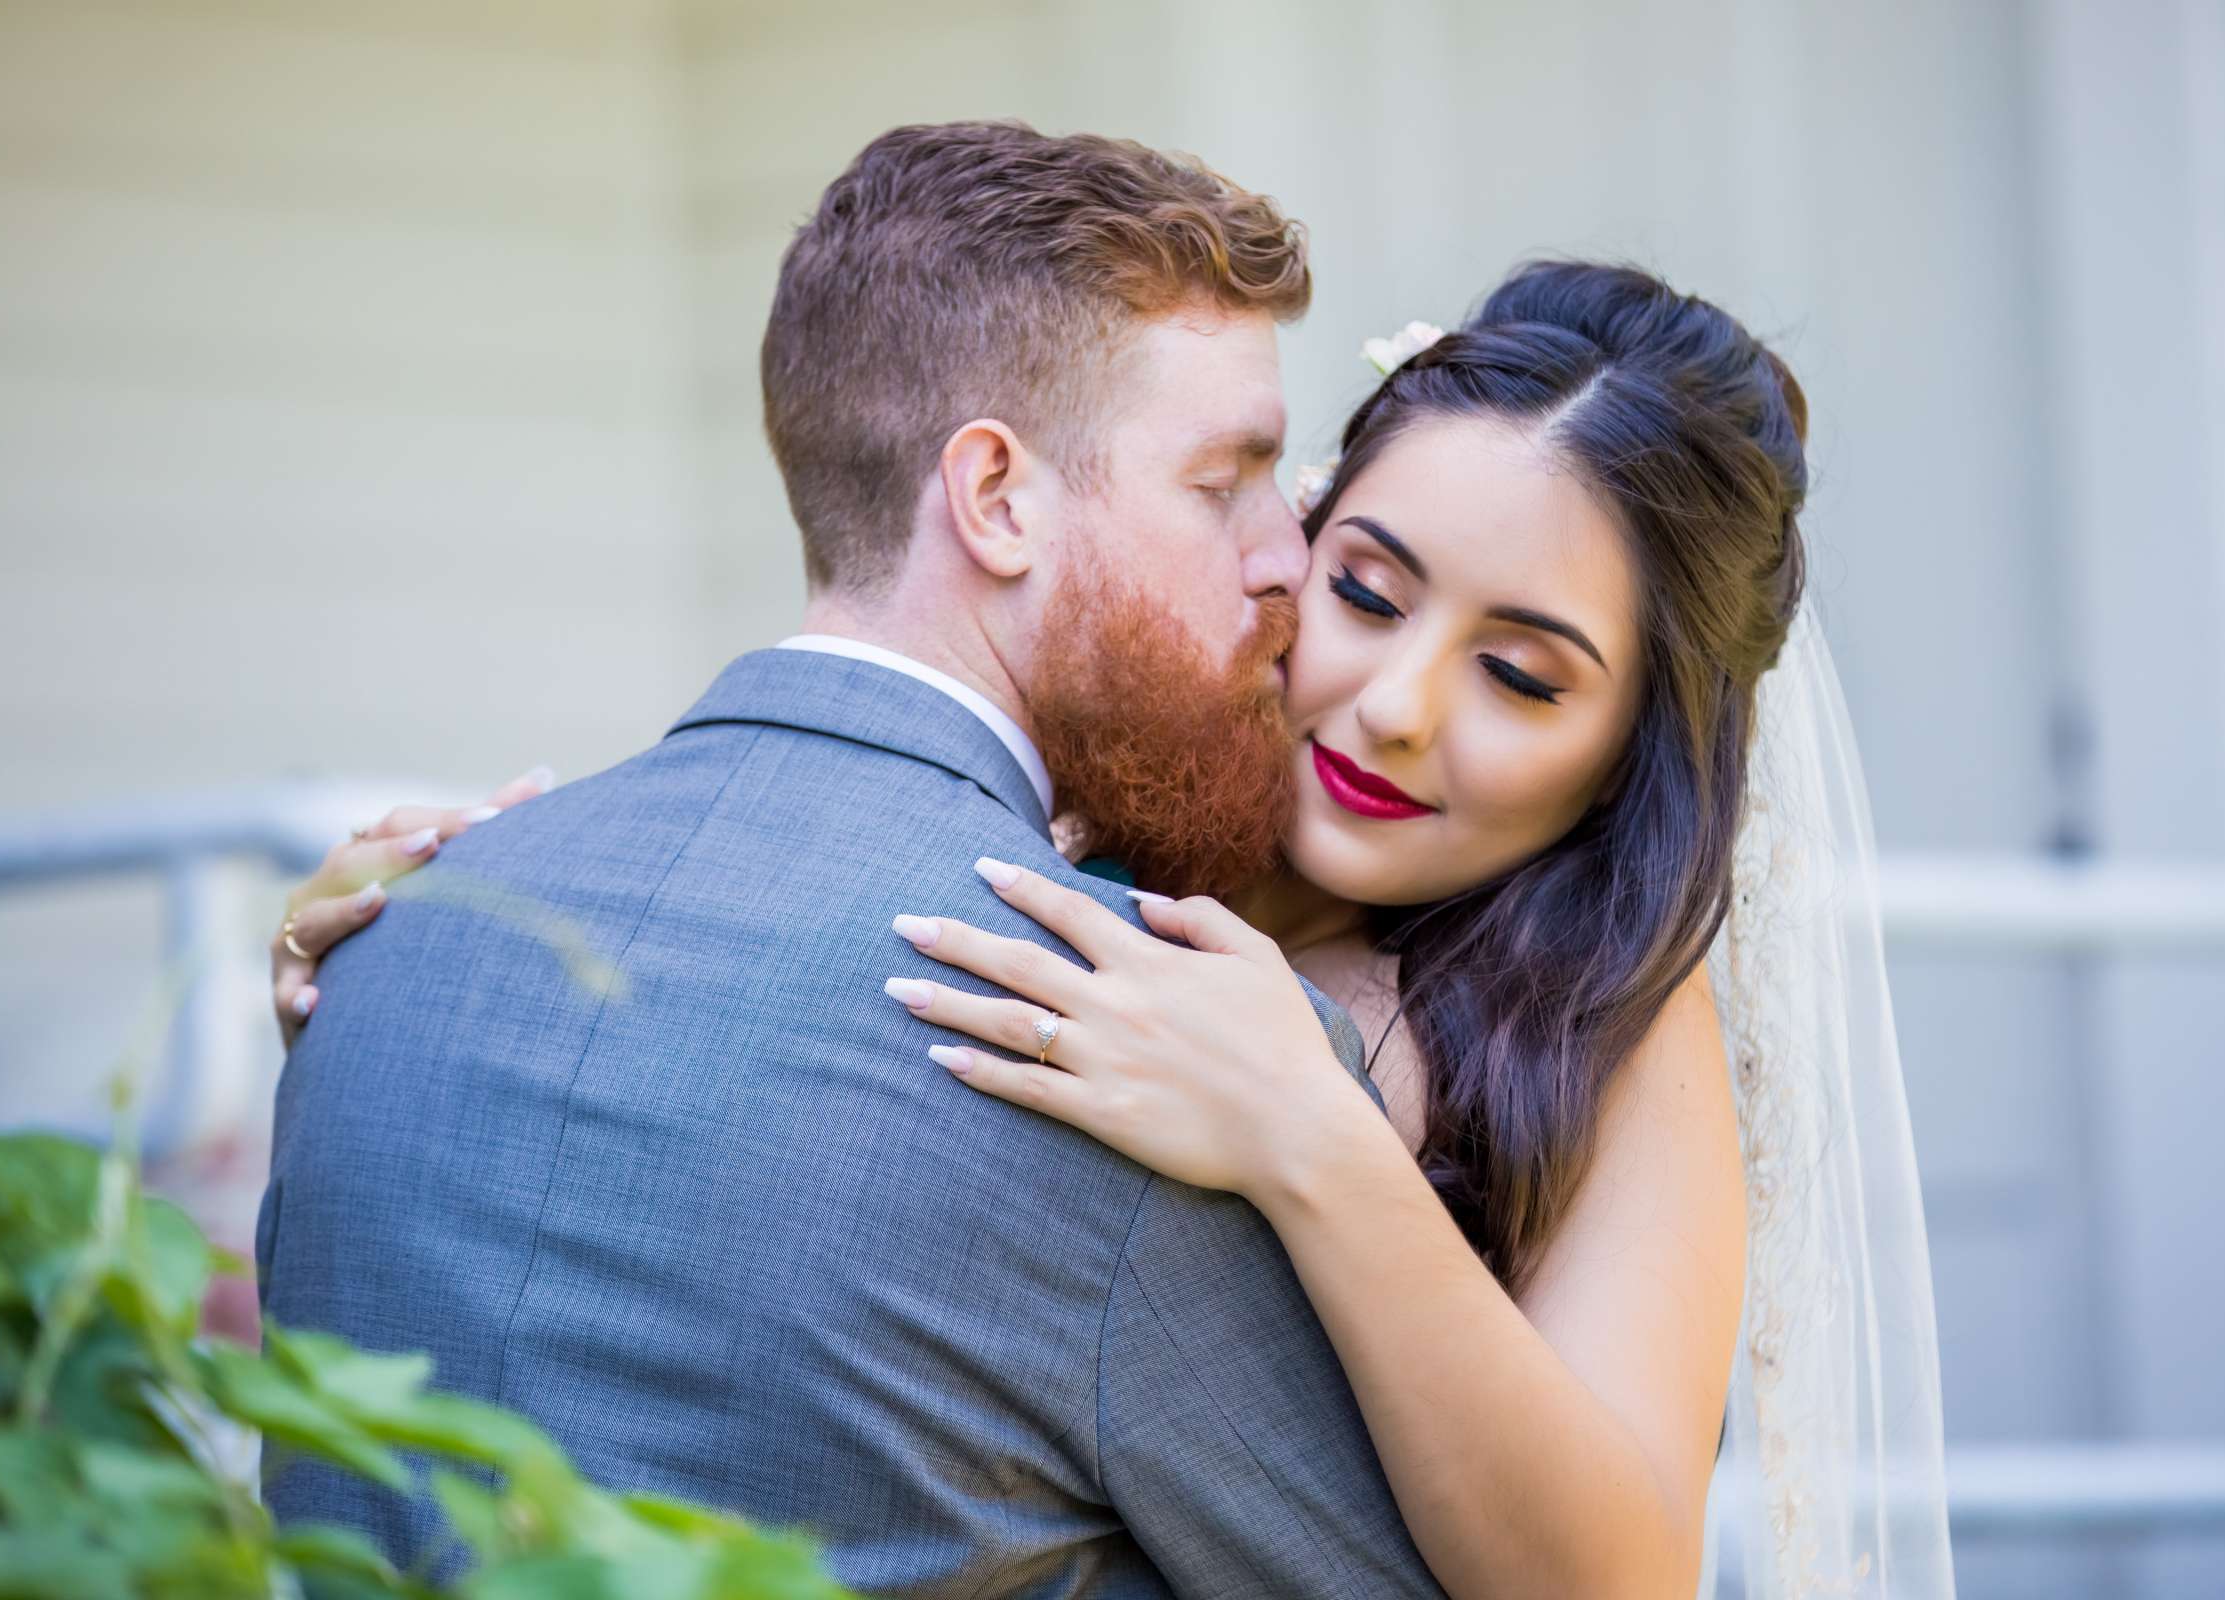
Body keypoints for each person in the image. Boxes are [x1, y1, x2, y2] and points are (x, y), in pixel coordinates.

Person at [273, 135, 1954, 1598]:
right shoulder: (1091, 822)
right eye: (1367, 588)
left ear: (1626, 754)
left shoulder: (1606, 1016)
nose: (1399, 706)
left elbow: (1618, 1576)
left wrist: (1317, 1137)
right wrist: (451, 935)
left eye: (1523, 677)